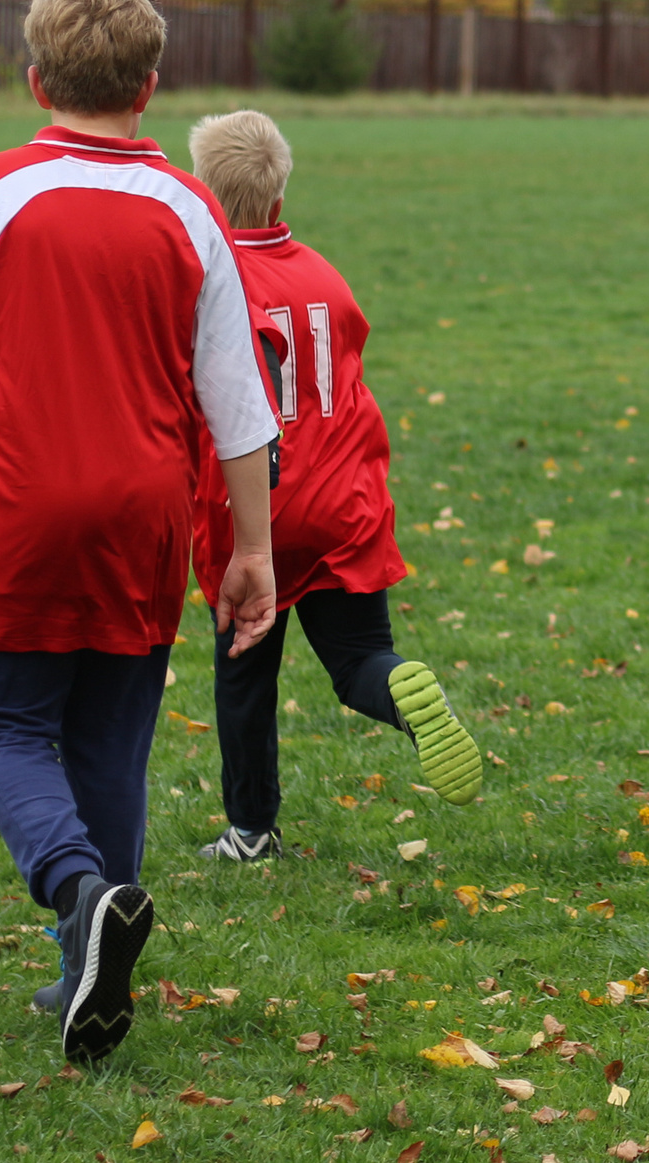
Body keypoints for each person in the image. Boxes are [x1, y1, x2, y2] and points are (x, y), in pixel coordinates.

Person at [0, 0, 281, 1066]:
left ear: (32, 79)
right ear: (150, 88)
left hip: (20, 506)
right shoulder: (192, 209)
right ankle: (86, 972)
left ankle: (79, 893)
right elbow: (237, 403)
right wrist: (248, 547)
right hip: (145, 517)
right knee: (111, 739)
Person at [185, 109, 482, 860]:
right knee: (357, 663)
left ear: (201, 196)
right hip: (345, 501)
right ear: (279, 199)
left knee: (245, 676)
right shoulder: (323, 274)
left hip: (261, 507)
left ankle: (251, 830)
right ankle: (401, 688)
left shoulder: (210, 284)